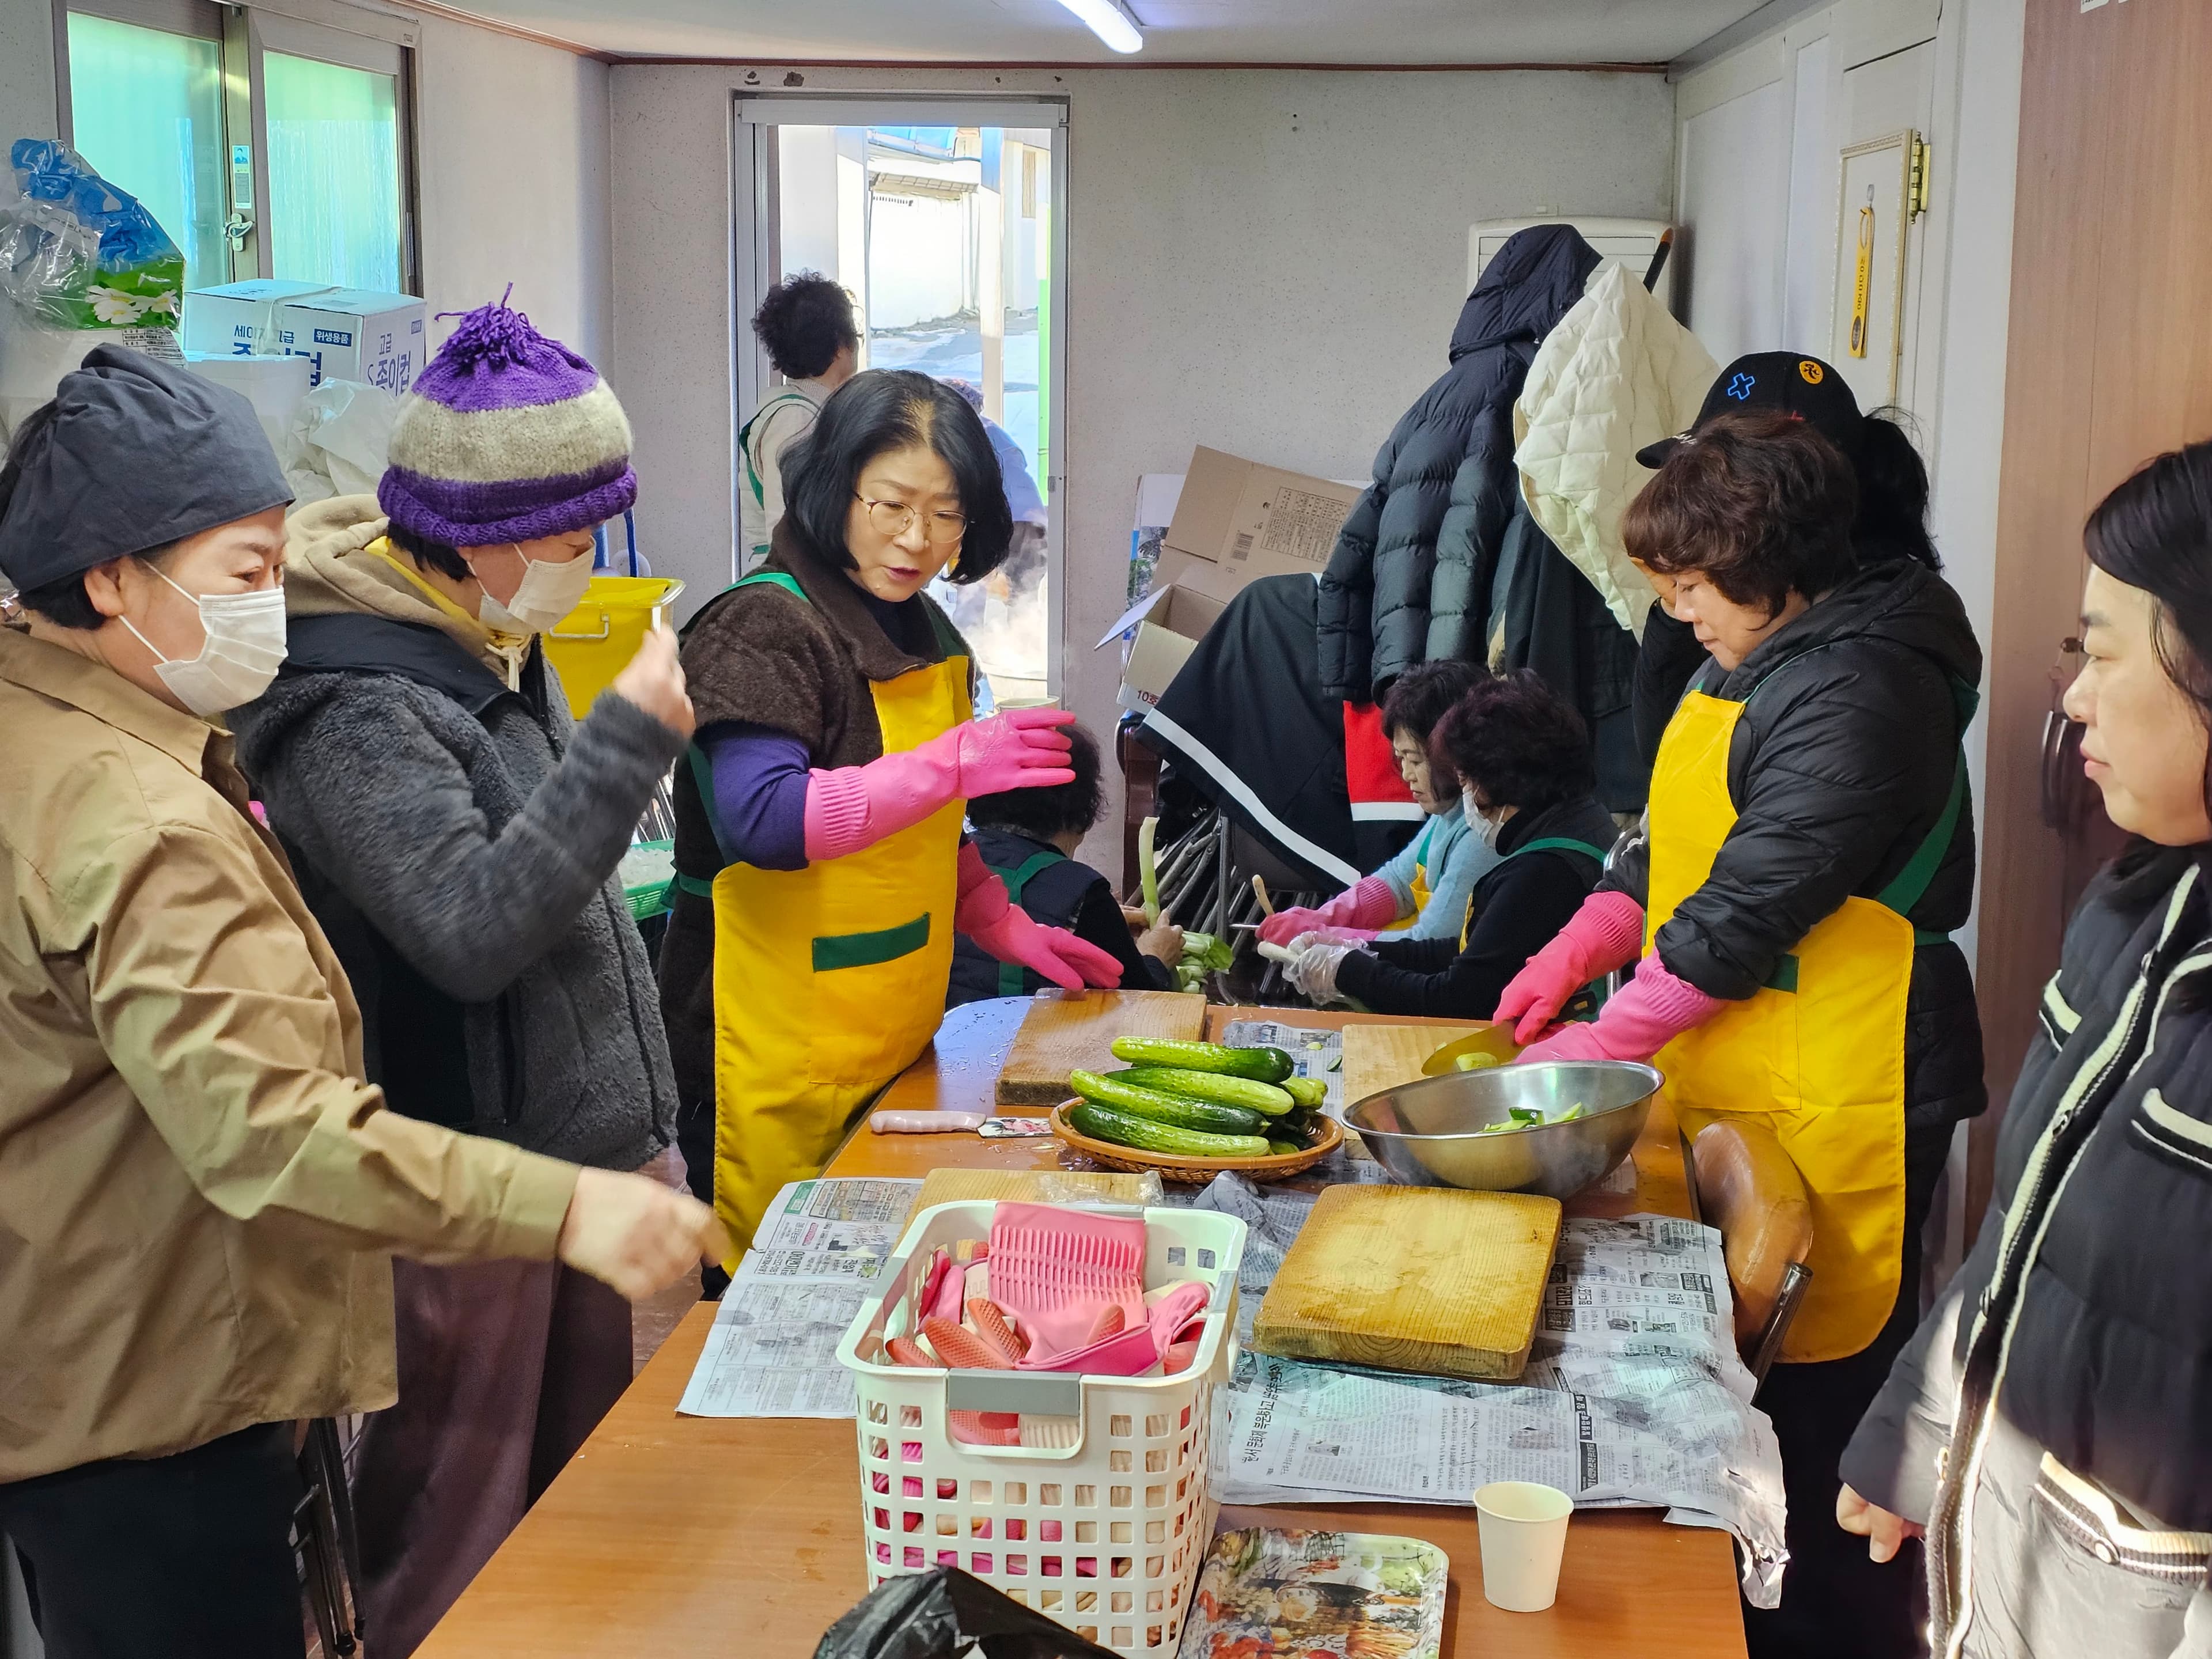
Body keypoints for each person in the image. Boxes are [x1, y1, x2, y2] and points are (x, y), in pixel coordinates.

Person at [0, 347, 719, 1659]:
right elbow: (277, 1124)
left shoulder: (113, 731)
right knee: (450, 1565)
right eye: (242, 573)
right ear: (108, 578)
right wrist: (563, 1202)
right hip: (154, 1383)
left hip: (163, 1356)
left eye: (278, 560)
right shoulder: (149, 796)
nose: (268, 604)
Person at [225, 300, 694, 1656]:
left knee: (574, 1523)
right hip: (465, 1184)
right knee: (456, 1538)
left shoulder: (489, 633)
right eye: (566, 536)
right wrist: (627, 749)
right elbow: (471, 926)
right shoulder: (360, 702)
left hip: (572, 1167)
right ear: (477, 535)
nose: (585, 561)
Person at [1498, 404, 1984, 1659]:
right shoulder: (1756, 654)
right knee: (1729, 1381)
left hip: (1854, 1067)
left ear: (1780, 574)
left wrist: (1602, 1046)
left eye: (1693, 585)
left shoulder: (1868, 682)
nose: (1677, 613)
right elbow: (1675, 849)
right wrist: (1588, 940)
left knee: (1818, 1411)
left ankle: (1822, 1631)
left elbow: (1751, 899)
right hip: (1740, 1053)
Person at [1836, 441, 2212, 1659]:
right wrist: (1918, 1434)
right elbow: (2020, 1238)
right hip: (2011, 1580)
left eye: (2104, 652)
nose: (2074, 700)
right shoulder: (2129, 913)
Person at [658, 369, 1122, 1255]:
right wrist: (953, 762)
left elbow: (927, 828)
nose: (919, 540)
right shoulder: (763, 627)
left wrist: (998, 918)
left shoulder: (929, 633)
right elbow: (768, 823)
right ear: (838, 487)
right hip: (770, 1045)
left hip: (893, 1030)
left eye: (947, 515)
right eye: (892, 506)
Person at [1282, 670, 1617, 1017]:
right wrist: (1350, 947)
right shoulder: (1578, 820)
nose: (1467, 796)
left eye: (1468, 781)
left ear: (1501, 778)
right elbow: (1465, 949)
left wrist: (1348, 970)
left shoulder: (1544, 872)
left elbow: (1458, 997)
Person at [1259, 659, 1498, 948]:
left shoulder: (1483, 835)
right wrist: (1323, 917)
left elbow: (1429, 944)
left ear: (1457, 754)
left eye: (1416, 760)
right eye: (1402, 759)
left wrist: (1321, 938)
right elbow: (1398, 881)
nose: (1407, 775)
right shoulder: (1450, 810)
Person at [948, 721, 1182, 1005]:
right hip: (1022, 1047)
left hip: (939, 1041)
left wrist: (1108, 920)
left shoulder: (950, 861)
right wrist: (1155, 957)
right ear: (1082, 809)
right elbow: (1141, 1004)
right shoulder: (1084, 893)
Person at [742, 271, 861, 572]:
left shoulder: (805, 410)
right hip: (793, 578)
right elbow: (786, 525)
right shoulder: (795, 418)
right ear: (840, 345)